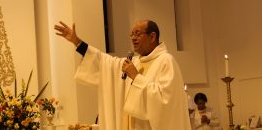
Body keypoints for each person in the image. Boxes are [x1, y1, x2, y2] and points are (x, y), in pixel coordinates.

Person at [54, 19, 191, 130]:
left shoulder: (166, 61)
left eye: (137, 34)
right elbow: (104, 62)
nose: (133, 38)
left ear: (152, 36)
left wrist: (136, 78)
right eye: (131, 34)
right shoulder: (135, 62)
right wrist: (77, 42)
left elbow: (166, 102)